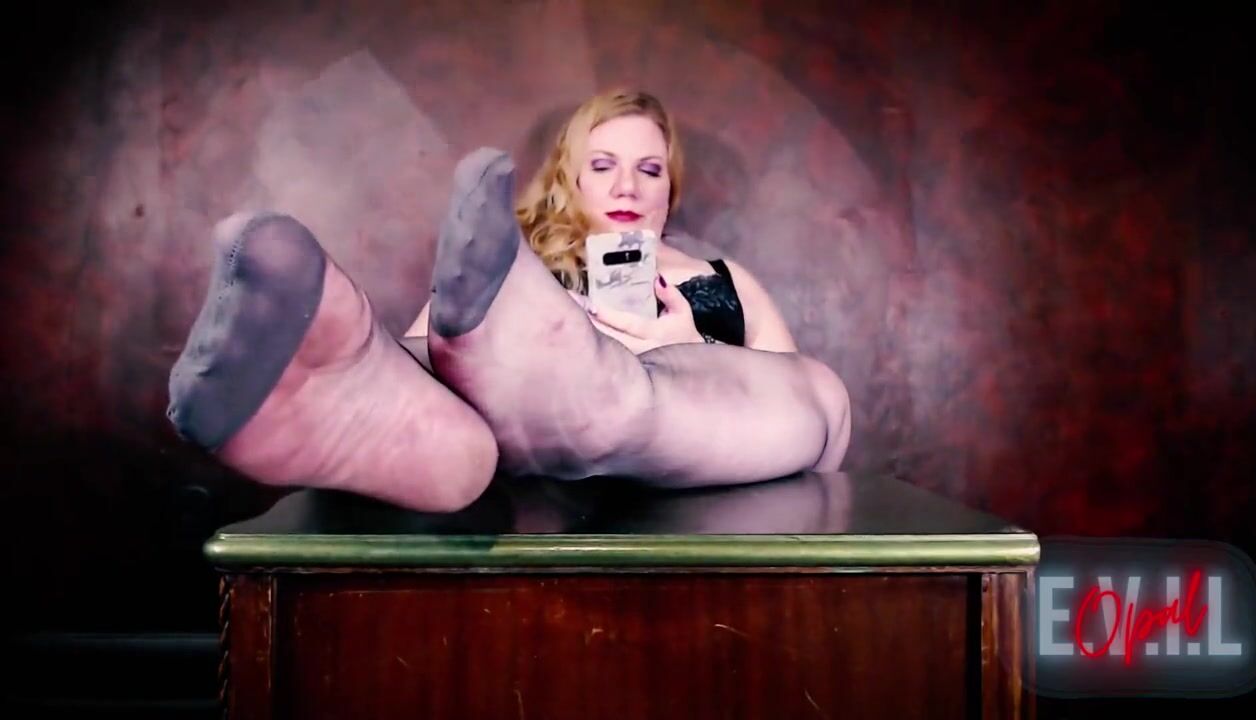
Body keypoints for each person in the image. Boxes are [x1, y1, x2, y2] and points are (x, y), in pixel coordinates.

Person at [166, 88, 851, 514]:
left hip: (700, 462)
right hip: (533, 477)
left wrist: (688, 349)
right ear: (569, 180)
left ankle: (607, 396)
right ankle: (389, 410)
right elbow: (431, 346)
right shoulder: (500, 263)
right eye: (603, 166)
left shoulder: (725, 277)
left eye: (649, 170)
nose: (628, 187)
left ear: (670, 188)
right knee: (442, 354)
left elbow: (813, 447)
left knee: (820, 393)